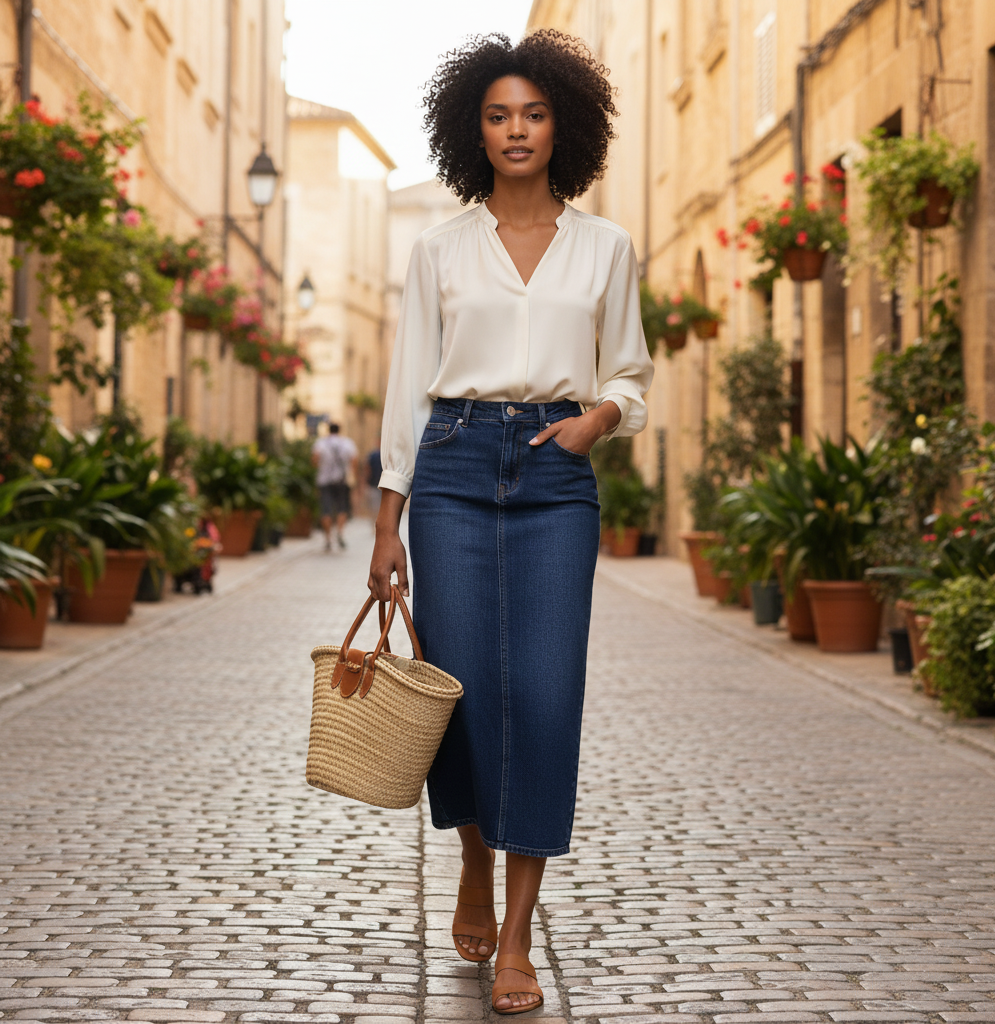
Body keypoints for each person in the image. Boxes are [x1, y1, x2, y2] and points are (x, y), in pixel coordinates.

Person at [368, 31, 653, 1015]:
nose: (516, 129)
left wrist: (600, 419)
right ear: (472, 132)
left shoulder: (604, 246)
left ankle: (519, 941)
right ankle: (472, 866)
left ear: (560, 123)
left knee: (540, 694)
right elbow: (408, 388)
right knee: (461, 691)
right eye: (497, 115)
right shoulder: (438, 248)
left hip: (553, 479)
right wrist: (384, 523)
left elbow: (630, 372)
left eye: (532, 112)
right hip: (449, 469)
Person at [312, 422, 357, 551]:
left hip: (324, 481)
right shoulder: (347, 443)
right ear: (339, 430)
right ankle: (340, 533)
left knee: (325, 509)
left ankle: (327, 538)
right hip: (341, 481)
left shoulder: (321, 443)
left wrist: (320, 468)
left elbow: (315, 459)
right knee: (342, 508)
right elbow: (353, 460)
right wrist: (353, 476)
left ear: (328, 430)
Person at [364, 439, 383, 518]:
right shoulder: (386, 455)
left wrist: (366, 481)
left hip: (374, 483)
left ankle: (375, 521)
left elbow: (367, 469)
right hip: (385, 484)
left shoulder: (372, 455)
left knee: (375, 506)